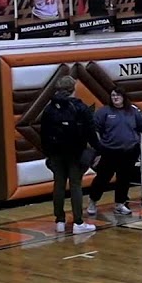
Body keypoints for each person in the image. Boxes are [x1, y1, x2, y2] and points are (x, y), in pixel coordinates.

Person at [39, 76, 98, 234]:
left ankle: (59, 220)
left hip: (56, 153)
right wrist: (98, 149)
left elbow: (43, 133)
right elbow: (90, 132)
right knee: (75, 185)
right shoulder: (80, 107)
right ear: (74, 88)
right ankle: (78, 222)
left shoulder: (50, 108)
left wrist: (48, 153)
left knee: (58, 185)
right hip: (75, 153)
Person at [86, 87, 142, 217]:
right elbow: (95, 129)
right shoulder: (104, 112)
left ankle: (120, 204)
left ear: (124, 97)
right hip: (110, 151)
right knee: (102, 178)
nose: (115, 98)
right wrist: (99, 146)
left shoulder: (132, 111)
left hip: (130, 151)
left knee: (124, 179)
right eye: (113, 95)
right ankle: (92, 202)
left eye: (118, 95)